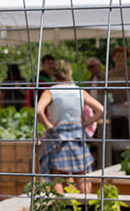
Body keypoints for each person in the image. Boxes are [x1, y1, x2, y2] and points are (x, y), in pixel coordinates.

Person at [36, 60, 104, 193]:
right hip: (77, 134)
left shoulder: (50, 91)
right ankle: (86, 209)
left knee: (57, 175)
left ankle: (59, 210)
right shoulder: (79, 91)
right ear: (70, 73)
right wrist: (85, 124)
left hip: (57, 136)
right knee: (81, 175)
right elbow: (101, 110)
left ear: (54, 75)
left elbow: (39, 111)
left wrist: (49, 125)